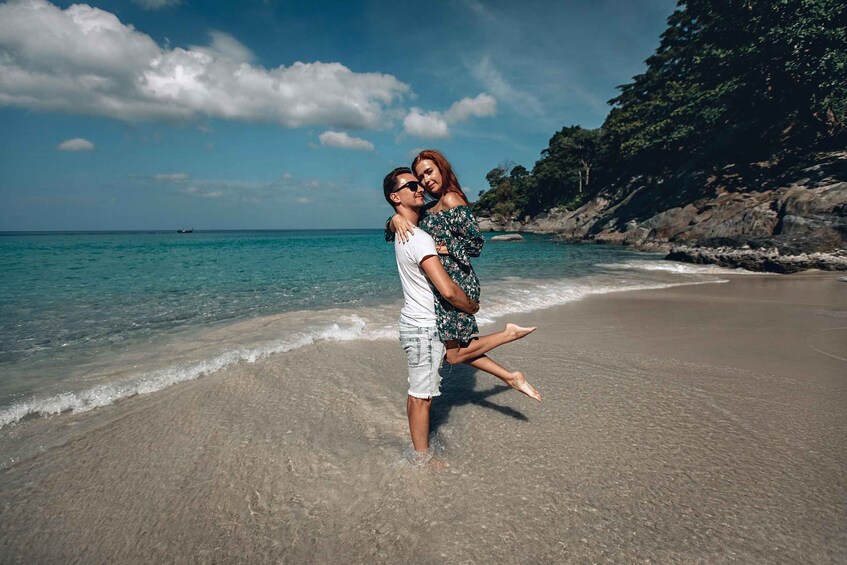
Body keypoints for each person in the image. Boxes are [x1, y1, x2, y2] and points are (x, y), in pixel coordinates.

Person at [384, 167, 540, 466]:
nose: (421, 186)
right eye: (413, 182)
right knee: (428, 387)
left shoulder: (421, 227)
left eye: (424, 178)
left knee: (440, 371)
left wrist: (441, 245)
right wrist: (469, 306)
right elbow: (448, 290)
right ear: (395, 197)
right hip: (425, 322)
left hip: (424, 320)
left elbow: (473, 247)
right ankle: (422, 458)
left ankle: (421, 458)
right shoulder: (414, 234)